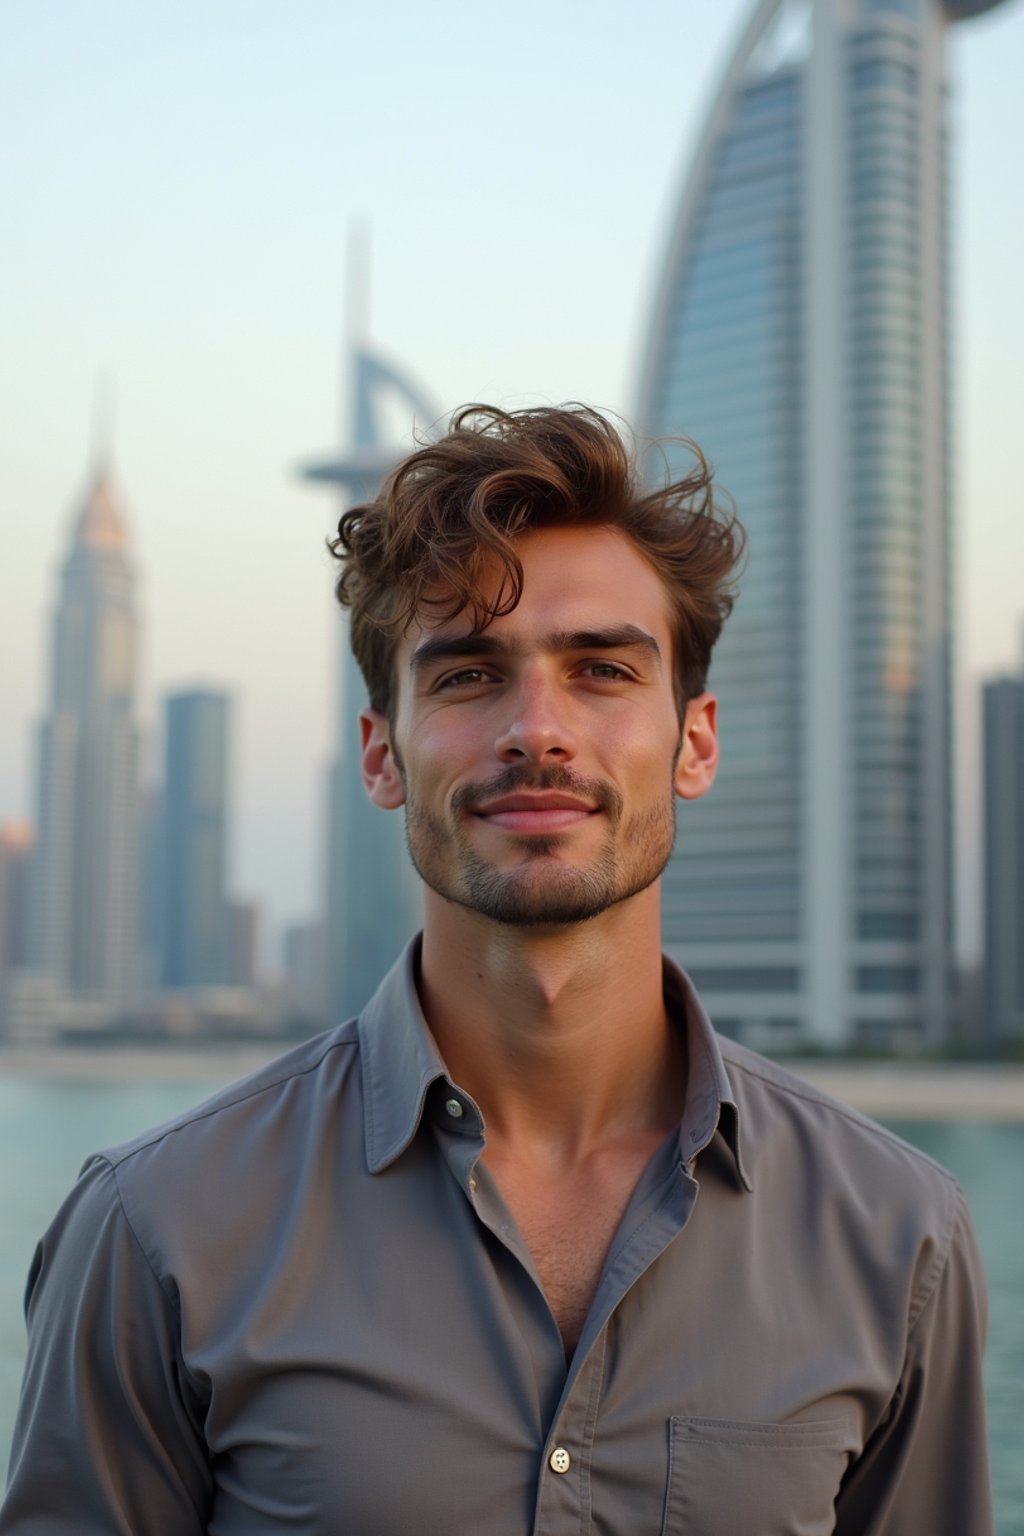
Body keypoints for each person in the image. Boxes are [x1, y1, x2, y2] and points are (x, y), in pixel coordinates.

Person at [2, 405, 991, 1534]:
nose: (537, 729)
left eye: (603, 670)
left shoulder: (896, 1234)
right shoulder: (157, 1227)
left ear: (696, 741)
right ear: (382, 755)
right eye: (470, 676)